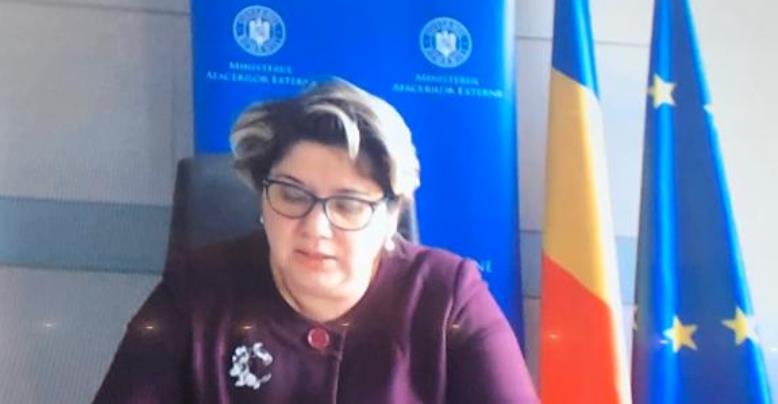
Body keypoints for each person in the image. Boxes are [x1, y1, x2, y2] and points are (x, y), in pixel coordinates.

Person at [94, 79, 538, 403]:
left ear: (391, 217)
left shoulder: (448, 297)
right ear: (261, 197)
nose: (315, 227)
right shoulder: (195, 291)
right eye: (291, 195)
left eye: (347, 204)